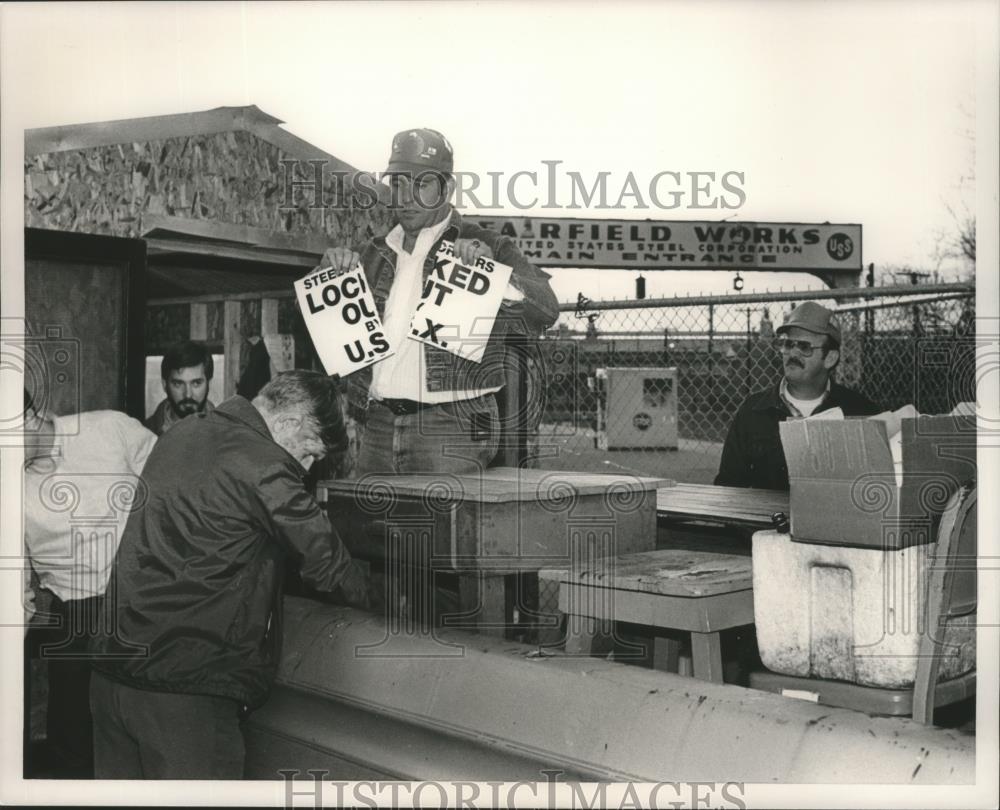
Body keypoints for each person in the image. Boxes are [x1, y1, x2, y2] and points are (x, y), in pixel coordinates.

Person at [89, 371, 371, 779]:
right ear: (288, 424)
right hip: (184, 693)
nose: (306, 469)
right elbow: (328, 564)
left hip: (112, 678)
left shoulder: (185, 431)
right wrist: (385, 611)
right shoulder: (264, 463)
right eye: (309, 453)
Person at [318, 128, 560, 475]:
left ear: (447, 188)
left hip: (451, 425)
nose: (406, 196)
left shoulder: (484, 243)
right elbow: (323, 330)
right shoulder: (373, 252)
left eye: (421, 184)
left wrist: (492, 274)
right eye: (398, 183)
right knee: (372, 529)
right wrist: (327, 274)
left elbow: (546, 309)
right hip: (377, 423)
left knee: (445, 529)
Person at [22, 387, 156, 778]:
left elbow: (175, 492)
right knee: (71, 737)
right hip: (74, 616)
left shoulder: (110, 429)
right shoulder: (6, 484)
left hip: (144, 602)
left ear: (31, 416)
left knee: (147, 732)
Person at [715, 301, 880, 491]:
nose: (792, 352)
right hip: (768, 520)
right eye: (787, 344)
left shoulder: (860, 412)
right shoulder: (753, 411)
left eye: (804, 347)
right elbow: (728, 487)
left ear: (830, 358)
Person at [144, 340, 215, 435]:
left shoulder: (228, 434)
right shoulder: (143, 435)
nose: (188, 394)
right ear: (165, 385)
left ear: (209, 384)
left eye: (196, 383)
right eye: (178, 384)